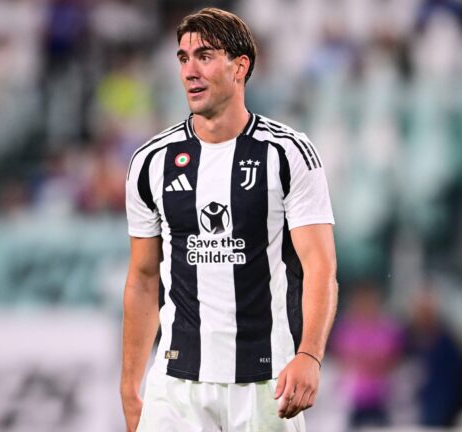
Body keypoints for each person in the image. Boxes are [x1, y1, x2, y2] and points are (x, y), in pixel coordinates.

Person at [120, 8, 337, 432]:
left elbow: (320, 266)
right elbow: (143, 278)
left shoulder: (288, 153)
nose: (190, 71)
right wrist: (129, 385)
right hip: (176, 384)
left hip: (265, 381)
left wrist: (309, 355)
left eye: (204, 56)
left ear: (240, 67)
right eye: (183, 58)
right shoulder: (150, 161)